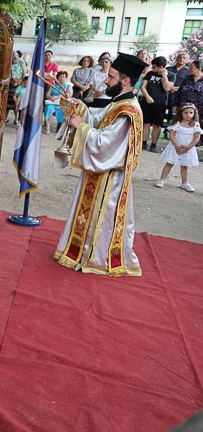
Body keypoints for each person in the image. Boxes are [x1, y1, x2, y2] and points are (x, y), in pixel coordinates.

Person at [54, 52, 148, 277]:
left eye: (111, 77)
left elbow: (107, 142)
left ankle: (97, 257)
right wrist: (81, 109)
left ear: (125, 81)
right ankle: (82, 251)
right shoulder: (120, 102)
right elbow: (100, 120)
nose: (106, 80)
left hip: (110, 181)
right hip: (101, 175)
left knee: (102, 220)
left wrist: (81, 127)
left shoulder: (129, 111)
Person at [154, 103, 200, 192]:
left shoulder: (196, 124)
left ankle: (184, 182)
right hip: (175, 146)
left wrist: (188, 147)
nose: (188, 115)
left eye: (191, 113)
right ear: (181, 113)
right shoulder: (177, 123)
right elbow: (172, 135)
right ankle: (162, 179)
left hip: (188, 148)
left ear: (194, 113)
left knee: (184, 165)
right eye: (185, 113)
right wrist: (177, 146)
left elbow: (196, 137)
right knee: (169, 163)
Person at [140, 56, 173, 152]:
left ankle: (153, 144)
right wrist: (147, 96)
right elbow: (143, 86)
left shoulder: (171, 75)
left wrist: (164, 76)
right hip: (146, 102)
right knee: (145, 123)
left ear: (161, 67)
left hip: (160, 103)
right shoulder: (150, 73)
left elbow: (167, 88)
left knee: (156, 125)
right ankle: (144, 142)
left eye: (154, 67)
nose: (152, 68)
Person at [178, 60, 203, 139]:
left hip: (200, 110)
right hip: (185, 108)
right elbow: (179, 92)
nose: (190, 70)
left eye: (192, 68)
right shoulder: (187, 78)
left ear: (199, 69)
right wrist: (175, 105)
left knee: (196, 130)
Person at [165, 52, 190, 117]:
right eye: (180, 57)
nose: (181, 59)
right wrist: (170, 87)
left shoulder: (188, 71)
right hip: (166, 94)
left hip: (179, 96)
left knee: (175, 116)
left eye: (184, 58)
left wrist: (179, 88)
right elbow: (163, 79)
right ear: (176, 58)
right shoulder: (168, 69)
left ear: (187, 60)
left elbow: (188, 82)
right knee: (162, 114)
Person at [8, 50, 27, 124]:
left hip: (20, 83)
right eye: (12, 59)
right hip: (11, 82)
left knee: (20, 95)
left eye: (15, 59)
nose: (14, 60)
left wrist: (20, 82)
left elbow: (24, 74)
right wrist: (13, 81)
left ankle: (17, 118)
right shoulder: (8, 63)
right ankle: (6, 116)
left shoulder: (21, 61)